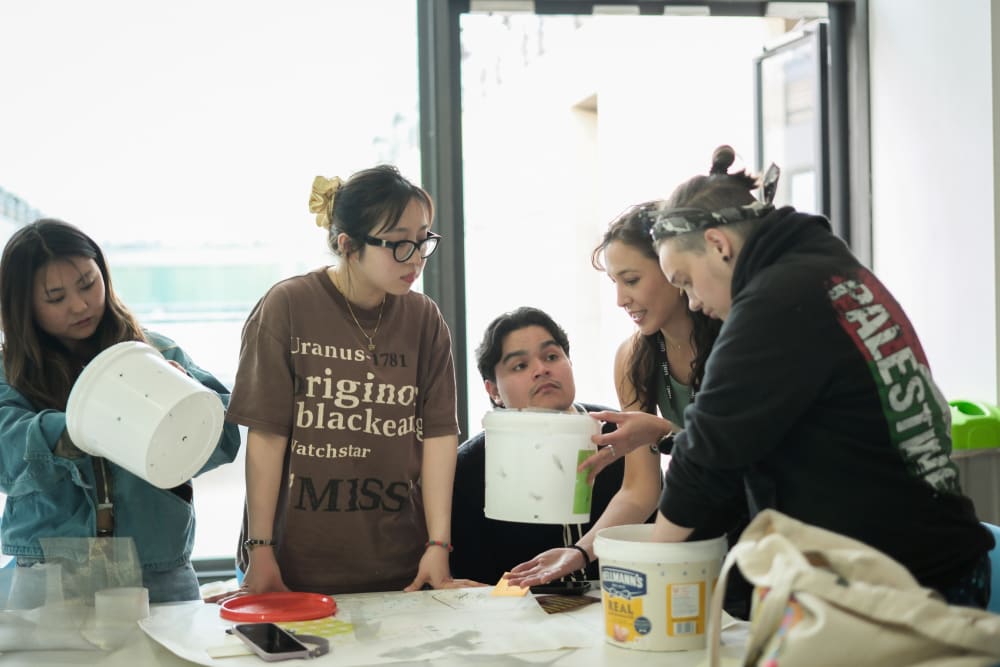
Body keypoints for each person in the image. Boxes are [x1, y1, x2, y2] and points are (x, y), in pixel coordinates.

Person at [644, 144, 994, 607]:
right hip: (935, 560)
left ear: (718, 244)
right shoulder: (831, 273)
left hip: (902, 590)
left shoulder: (777, 301)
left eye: (685, 279)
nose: (690, 301)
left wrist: (644, 571)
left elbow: (708, 455)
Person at [228, 165, 466, 596]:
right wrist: (260, 548)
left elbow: (439, 437)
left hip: (399, 566)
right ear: (348, 245)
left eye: (423, 239)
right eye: (398, 244)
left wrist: (438, 544)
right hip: (294, 567)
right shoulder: (289, 305)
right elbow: (266, 434)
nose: (414, 257)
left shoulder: (424, 319)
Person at [506, 209, 747, 596]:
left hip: (762, 530)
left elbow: (740, 458)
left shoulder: (734, 338)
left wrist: (664, 433)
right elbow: (640, 488)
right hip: (705, 536)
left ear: (672, 265)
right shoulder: (633, 358)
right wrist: (581, 552)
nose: (620, 299)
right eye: (614, 283)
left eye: (631, 280)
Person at [0, 219, 241, 603]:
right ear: (23, 304)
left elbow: (225, 435)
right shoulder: (8, 372)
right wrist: (86, 423)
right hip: (47, 571)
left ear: (103, 273)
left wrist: (186, 403)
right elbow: (6, 454)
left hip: (158, 567)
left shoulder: (156, 353)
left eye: (87, 284)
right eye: (56, 297)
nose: (79, 305)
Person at [450, 306, 629, 585]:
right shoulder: (468, 469)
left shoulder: (620, 435)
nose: (541, 370)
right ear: (493, 391)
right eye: (520, 365)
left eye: (552, 357)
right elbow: (473, 580)